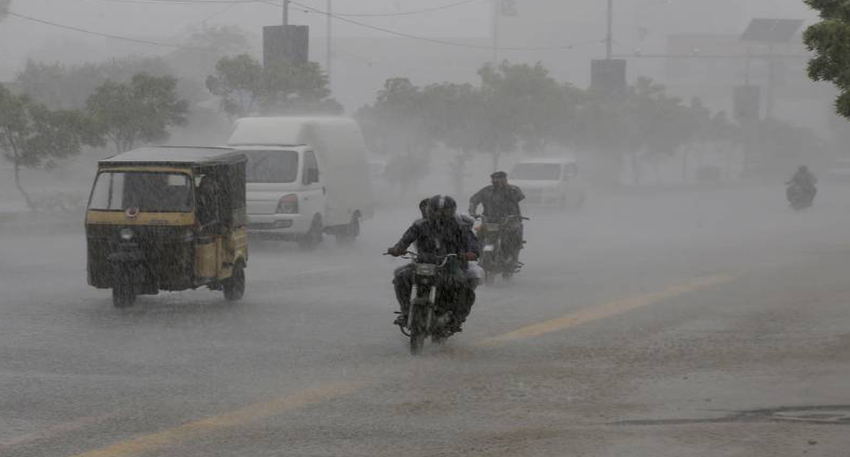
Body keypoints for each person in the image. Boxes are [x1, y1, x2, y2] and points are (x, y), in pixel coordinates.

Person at [388, 195, 481, 330]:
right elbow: (406, 239)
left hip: (451, 264)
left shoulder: (460, 226)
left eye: (444, 211)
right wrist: (397, 249)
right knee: (401, 278)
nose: (439, 215)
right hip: (423, 263)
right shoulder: (420, 225)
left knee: (462, 285)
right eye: (436, 211)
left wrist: (472, 252)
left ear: (452, 211)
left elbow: (472, 242)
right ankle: (406, 311)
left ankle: (456, 317)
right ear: (429, 210)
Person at [468, 171, 526, 262]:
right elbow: (473, 200)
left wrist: (506, 190)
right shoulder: (486, 191)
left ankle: (512, 259)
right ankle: (480, 255)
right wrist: (472, 213)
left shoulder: (513, 190)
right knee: (479, 235)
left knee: (514, 238)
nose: (496, 182)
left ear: (505, 180)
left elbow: (519, 197)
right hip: (490, 221)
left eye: (499, 180)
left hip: (510, 221)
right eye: (494, 180)